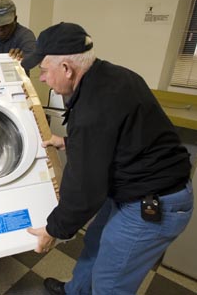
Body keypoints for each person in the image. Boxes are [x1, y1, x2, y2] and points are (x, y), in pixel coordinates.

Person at [21, 22, 194, 294]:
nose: (41, 78)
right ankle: (74, 291)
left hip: (153, 202)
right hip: (133, 189)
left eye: (43, 70)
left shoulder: (93, 107)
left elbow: (84, 192)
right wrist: (67, 141)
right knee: (96, 243)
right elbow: (120, 136)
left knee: (110, 283)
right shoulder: (113, 76)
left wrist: (52, 230)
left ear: (67, 68)